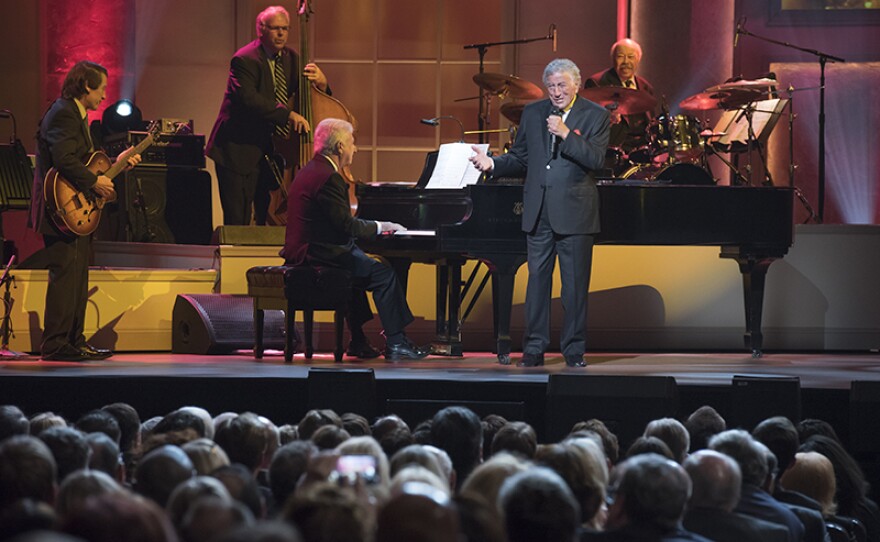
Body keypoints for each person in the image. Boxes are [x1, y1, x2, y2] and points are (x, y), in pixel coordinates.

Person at [470, 58, 610, 368]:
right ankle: (533, 349)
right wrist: (493, 164)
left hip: (575, 212)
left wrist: (565, 134)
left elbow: (597, 159)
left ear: (576, 85)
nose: (557, 92)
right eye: (552, 86)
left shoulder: (596, 115)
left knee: (574, 287)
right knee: (537, 284)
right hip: (538, 210)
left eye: (562, 86)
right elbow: (521, 157)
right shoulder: (533, 112)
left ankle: (573, 351)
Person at [280, 118, 429, 361]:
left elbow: (335, 226)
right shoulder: (329, 177)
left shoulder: (310, 171)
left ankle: (358, 340)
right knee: (384, 273)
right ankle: (396, 342)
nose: (355, 149)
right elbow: (346, 225)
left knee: (357, 267)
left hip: (308, 251)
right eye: (352, 143)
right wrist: (383, 227)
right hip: (319, 254)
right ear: (339, 147)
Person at [29, 60, 141, 361]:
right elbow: (64, 159)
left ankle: (74, 341)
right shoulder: (64, 112)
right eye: (101, 88)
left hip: (72, 211)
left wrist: (119, 161)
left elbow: (84, 160)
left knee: (77, 278)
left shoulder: (75, 115)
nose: (105, 96)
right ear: (86, 86)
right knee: (65, 277)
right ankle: (55, 345)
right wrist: (95, 182)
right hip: (60, 209)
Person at [206, 5, 328, 226]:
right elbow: (249, 99)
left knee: (264, 216)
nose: (281, 34)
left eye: (285, 29)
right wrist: (288, 115)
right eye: (275, 29)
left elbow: (311, 98)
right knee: (238, 220)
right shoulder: (244, 60)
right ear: (260, 29)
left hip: (270, 153)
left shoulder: (294, 59)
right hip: (237, 150)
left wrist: (322, 83)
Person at [585, 38, 656, 169]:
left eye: (630, 57)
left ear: (638, 59)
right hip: (612, 152)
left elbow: (652, 124)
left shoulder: (646, 87)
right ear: (613, 59)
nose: (626, 62)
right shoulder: (597, 83)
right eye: (620, 57)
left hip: (641, 152)